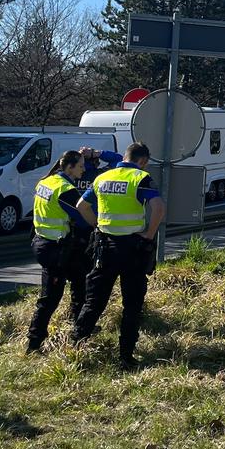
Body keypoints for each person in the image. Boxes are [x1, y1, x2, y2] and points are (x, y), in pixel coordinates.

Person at [71, 142, 166, 369]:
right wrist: (148, 234)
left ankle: (74, 347)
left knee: (94, 301)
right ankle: (125, 357)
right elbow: (159, 207)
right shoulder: (140, 178)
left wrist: (97, 226)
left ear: (125, 156)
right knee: (132, 304)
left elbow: (81, 205)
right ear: (142, 161)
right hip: (133, 248)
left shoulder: (103, 178)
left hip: (104, 247)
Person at [26, 149, 98, 353]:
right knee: (50, 299)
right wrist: (96, 225)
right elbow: (82, 219)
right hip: (56, 249)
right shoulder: (65, 189)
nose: (84, 170)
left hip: (45, 243)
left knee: (80, 280)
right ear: (69, 167)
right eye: (81, 166)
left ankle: (79, 330)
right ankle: (34, 342)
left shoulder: (45, 182)